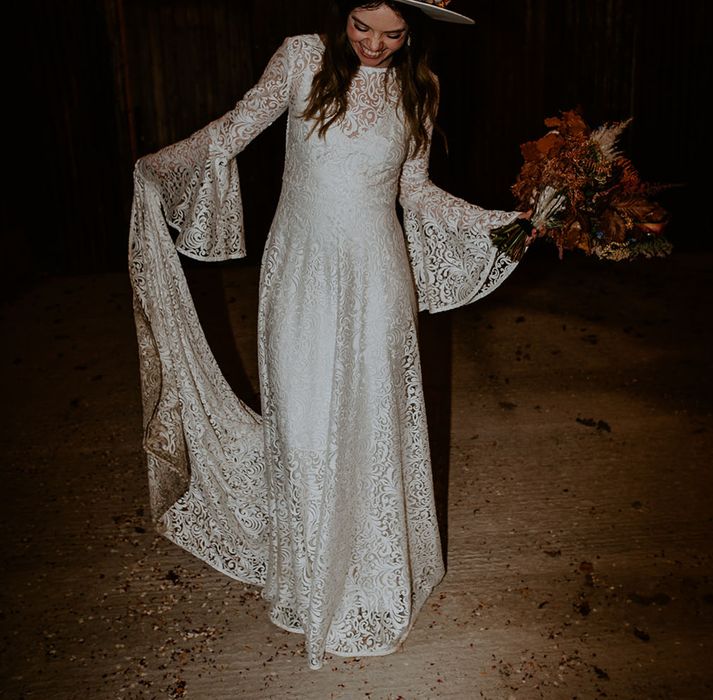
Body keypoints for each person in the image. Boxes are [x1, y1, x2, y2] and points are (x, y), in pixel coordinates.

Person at [129, 0, 525, 669]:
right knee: (303, 420)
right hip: (299, 272)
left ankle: (366, 580)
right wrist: (164, 166)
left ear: (413, 35)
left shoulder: (418, 89)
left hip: (377, 275)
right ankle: (307, 576)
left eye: (392, 34)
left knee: (369, 423)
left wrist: (492, 223)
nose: (373, 44)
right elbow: (235, 129)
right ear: (342, 17)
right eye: (361, 27)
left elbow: (416, 191)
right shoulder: (301, 57)